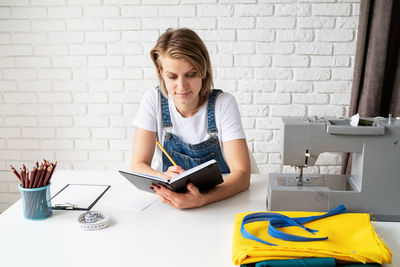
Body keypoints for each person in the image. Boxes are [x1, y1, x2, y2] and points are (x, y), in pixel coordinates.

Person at [131, 28, 250, 209]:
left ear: (203, 71)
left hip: (222, 202)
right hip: (173, 206)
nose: (182, 86)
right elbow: (138, 164)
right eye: (172, 76)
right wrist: (165, 178)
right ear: (161, 73)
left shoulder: (223, 104)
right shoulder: (153, 100)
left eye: (191, 74)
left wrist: (201, 199)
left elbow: (242, 175)